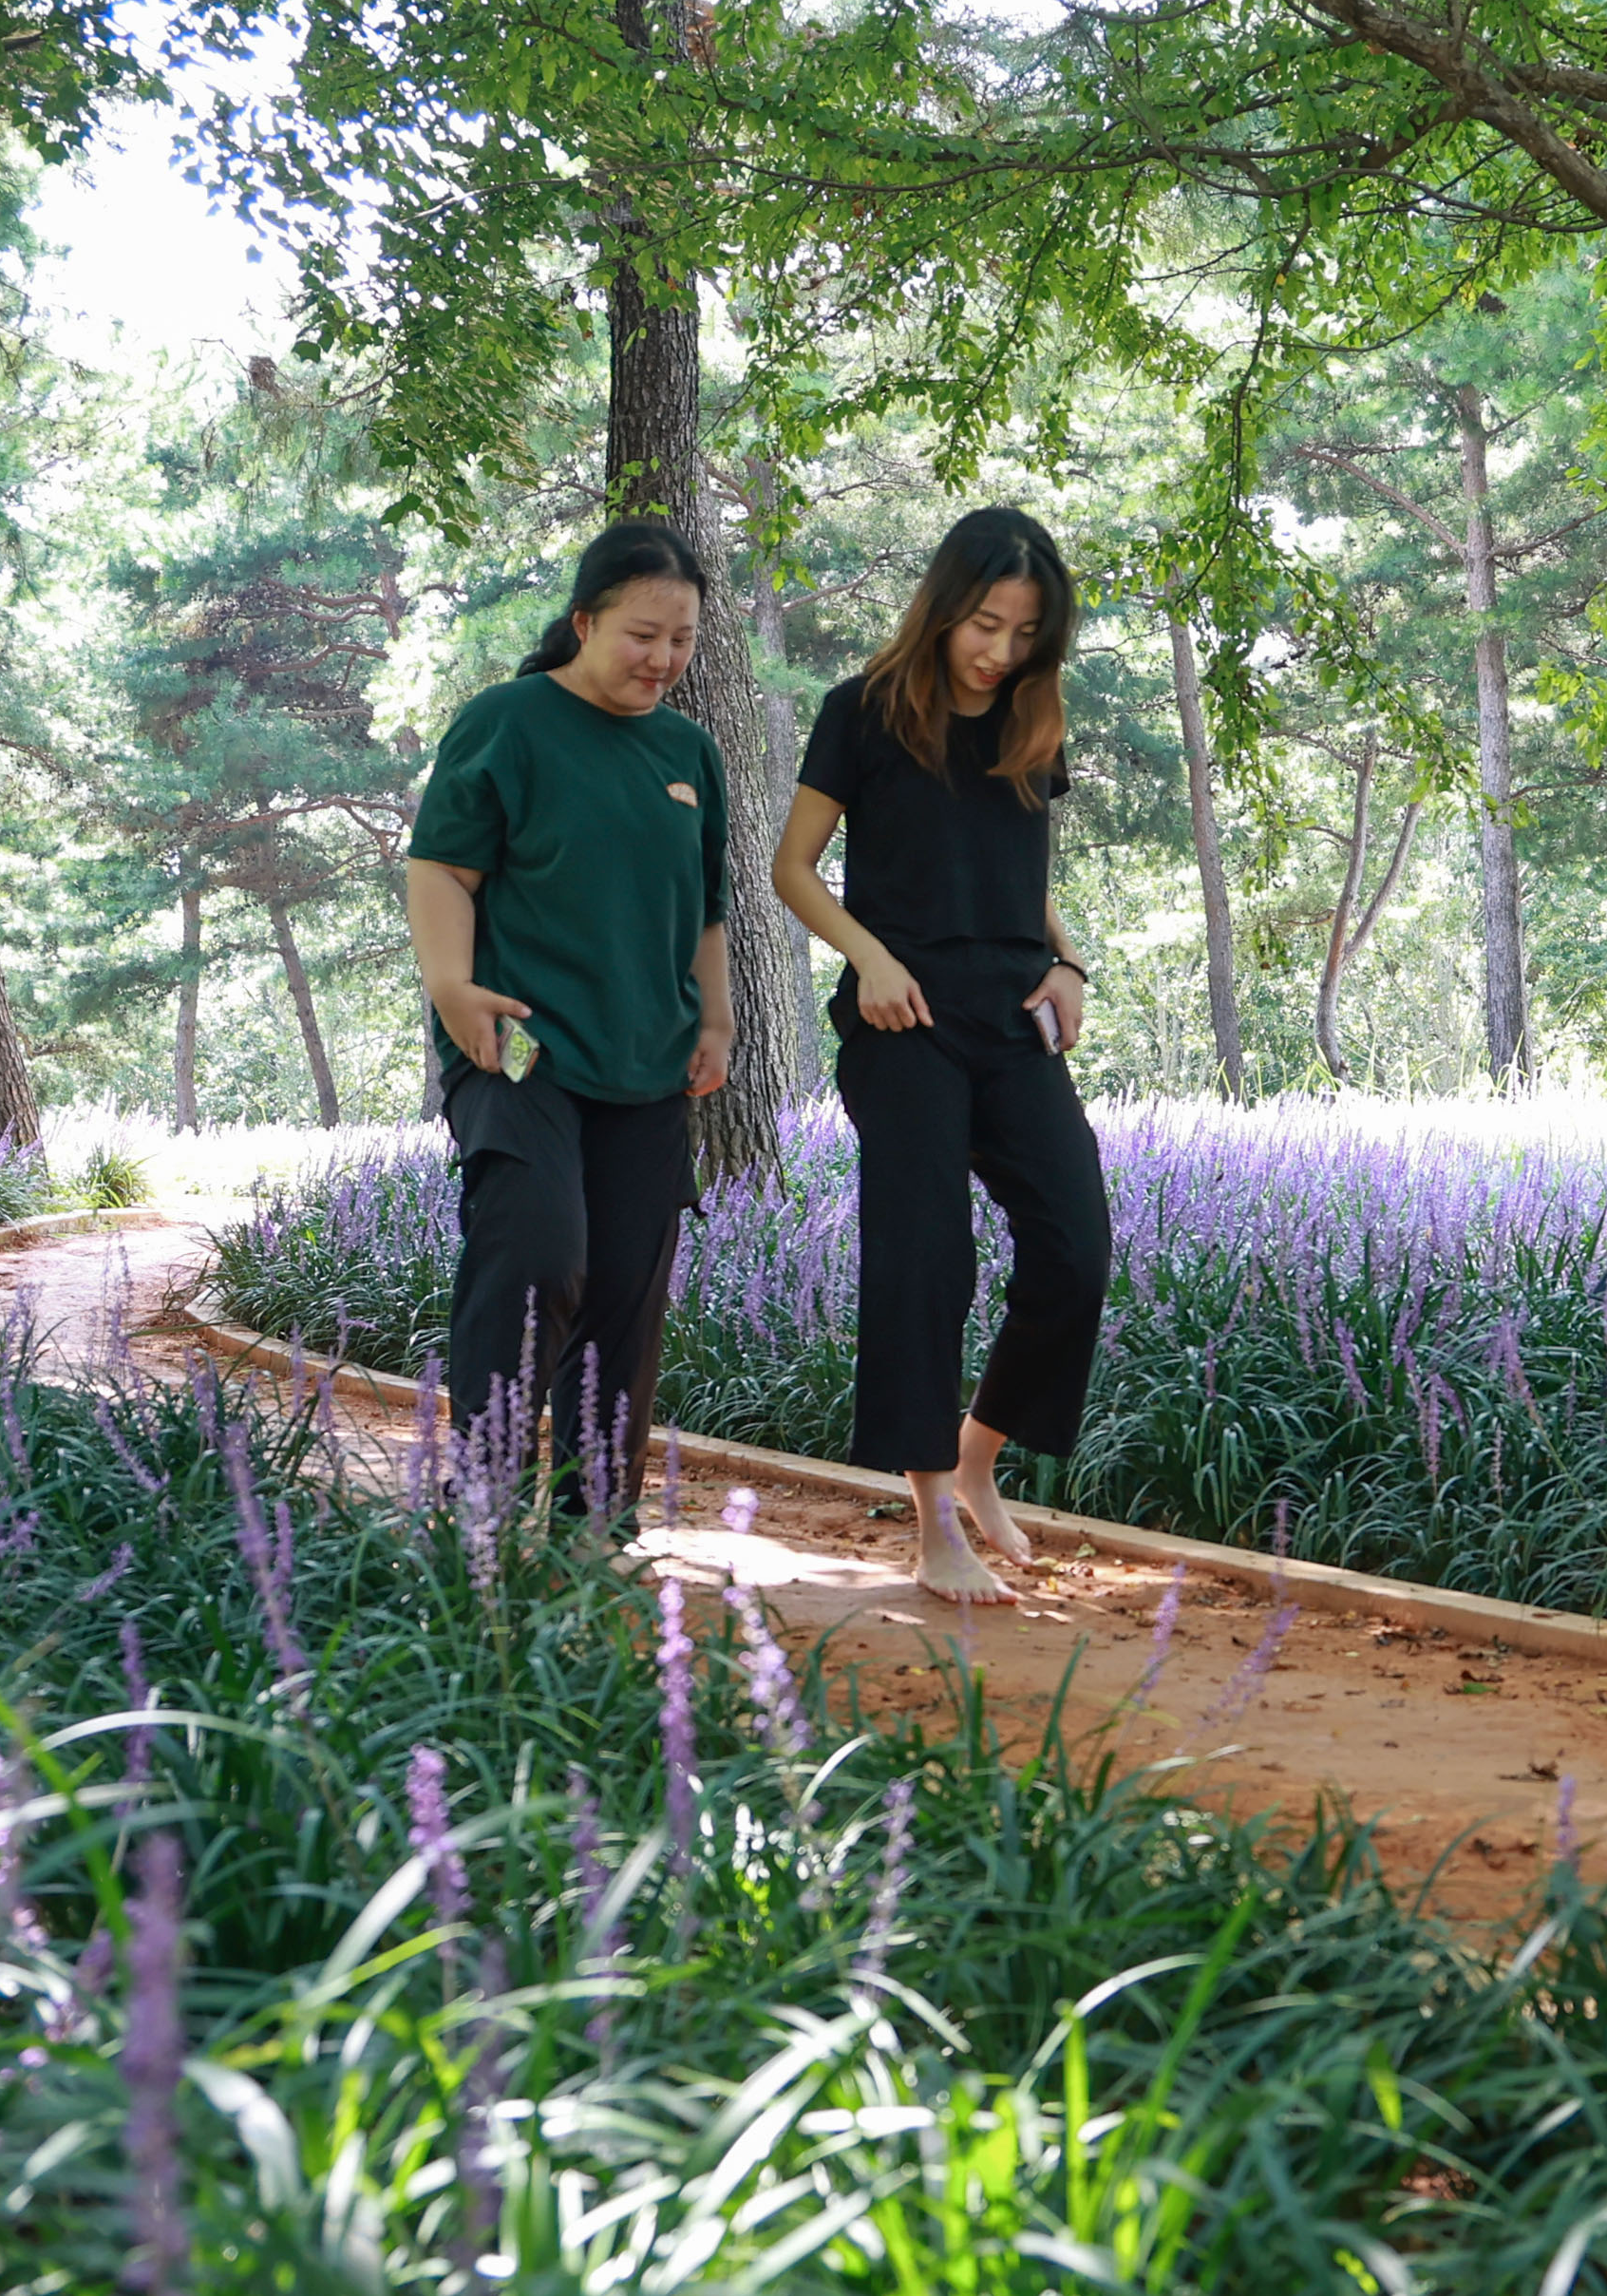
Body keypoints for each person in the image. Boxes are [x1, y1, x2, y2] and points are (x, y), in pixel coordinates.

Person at [771, 503, 1109, 1597]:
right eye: (983, 622)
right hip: (900, 1017)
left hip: (1012, 1016)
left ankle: (978, 1460)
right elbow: (794, 867)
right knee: (927, 1255)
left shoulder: (1032, 722)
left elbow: (1016, 875)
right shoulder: (861, 712)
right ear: (941, 605)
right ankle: (932, 1522)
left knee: (1074, 1243)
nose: (998, 650)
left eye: (1022, 632)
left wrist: (1070, 966)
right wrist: (868, 960)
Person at [404, 519, 736, 1515]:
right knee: (539, 1251)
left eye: (681, 639)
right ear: (584, 620)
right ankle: (485, 1497)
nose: (663, 658)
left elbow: (705, 907)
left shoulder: (688, 750)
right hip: (519, 1050)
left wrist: (716, 1021)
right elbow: (440, 869)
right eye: (643, 633)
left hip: (651, 1055)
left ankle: (596, 1521)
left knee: (627, 1293)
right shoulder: (507, 720)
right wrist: (453, 987)